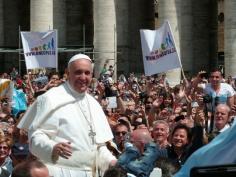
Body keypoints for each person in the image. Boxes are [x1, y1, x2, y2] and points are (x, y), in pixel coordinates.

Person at [18, 54, 116, 177]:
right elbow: (35, 137)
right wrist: (52, 147)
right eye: (78, 72)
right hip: (60, 171)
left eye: (87, 73)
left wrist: (112, 162)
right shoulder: (50, 99)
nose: (83, 77)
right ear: (68, 73)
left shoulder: (94, 104)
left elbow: (98, 147)